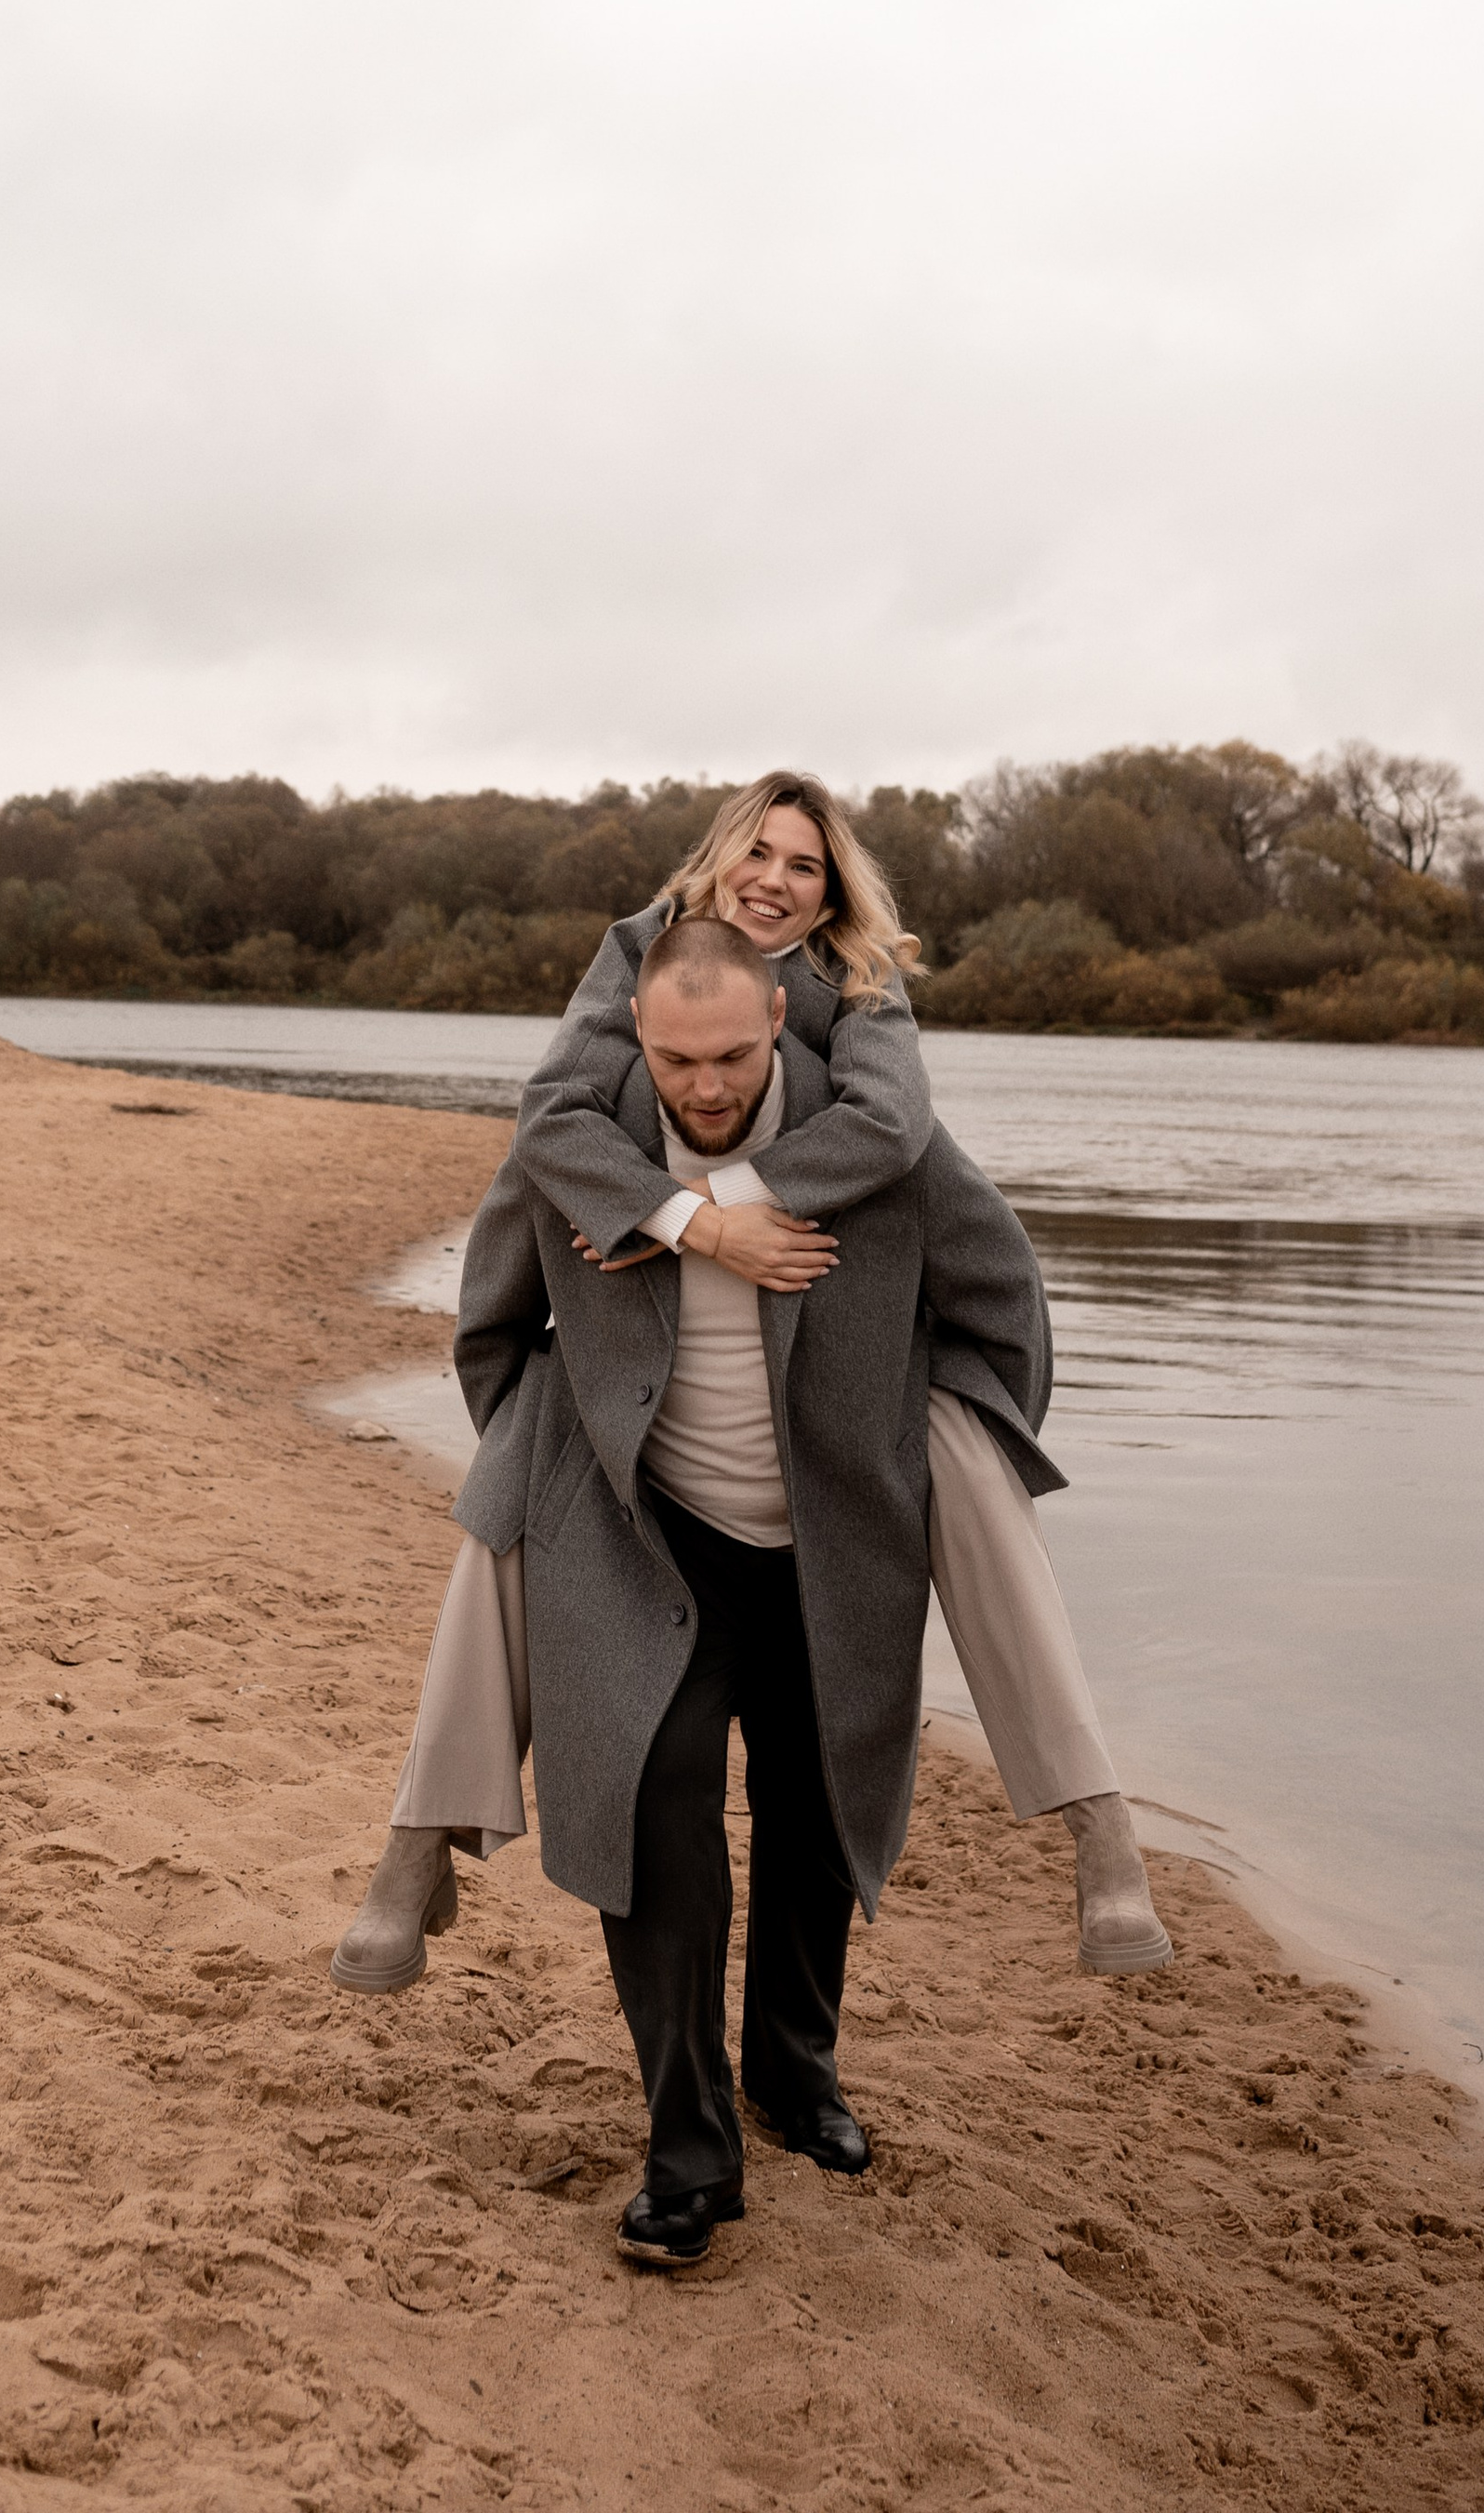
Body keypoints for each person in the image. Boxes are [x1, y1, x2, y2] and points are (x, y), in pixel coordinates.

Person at [331, 783, 1171, 2226]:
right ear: (640, 1028)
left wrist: (929, 1441)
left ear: (783, 1015)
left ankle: (797, 2071)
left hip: (830, 1539)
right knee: (656, 1825)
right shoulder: (585, 1149)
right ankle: (689, 2145)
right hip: (650, 1539)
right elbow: (492, 1327)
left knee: (814, 1812)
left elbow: (1005, 1297)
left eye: (731, 1058)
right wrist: (583, 1439)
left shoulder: (878, 1144)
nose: (706, 1086)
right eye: (678, 1061)